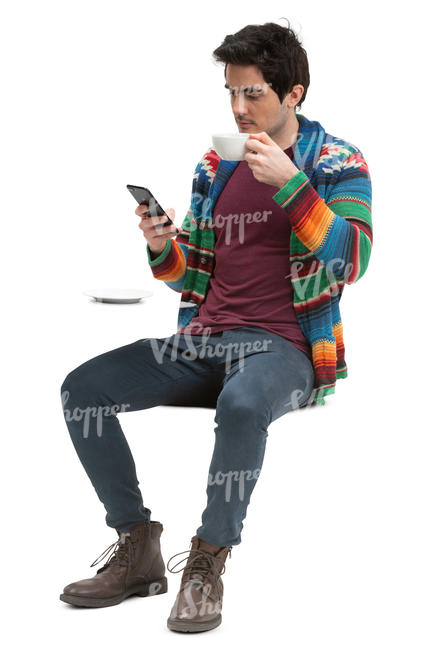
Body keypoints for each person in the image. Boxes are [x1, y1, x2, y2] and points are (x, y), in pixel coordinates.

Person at [59, 20, 373, 633]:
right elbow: (190, 277)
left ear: (294, 93)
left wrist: (294, 188)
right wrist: (162, 245)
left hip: (286, 348)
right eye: (231, 92)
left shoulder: (336, 160)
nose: (238, 107)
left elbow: (353, 260)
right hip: (204, 339)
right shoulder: (215, 166)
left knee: (243, 401)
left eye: (253, 93)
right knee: (82, 391)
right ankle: (136, 544)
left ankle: (207, 560)